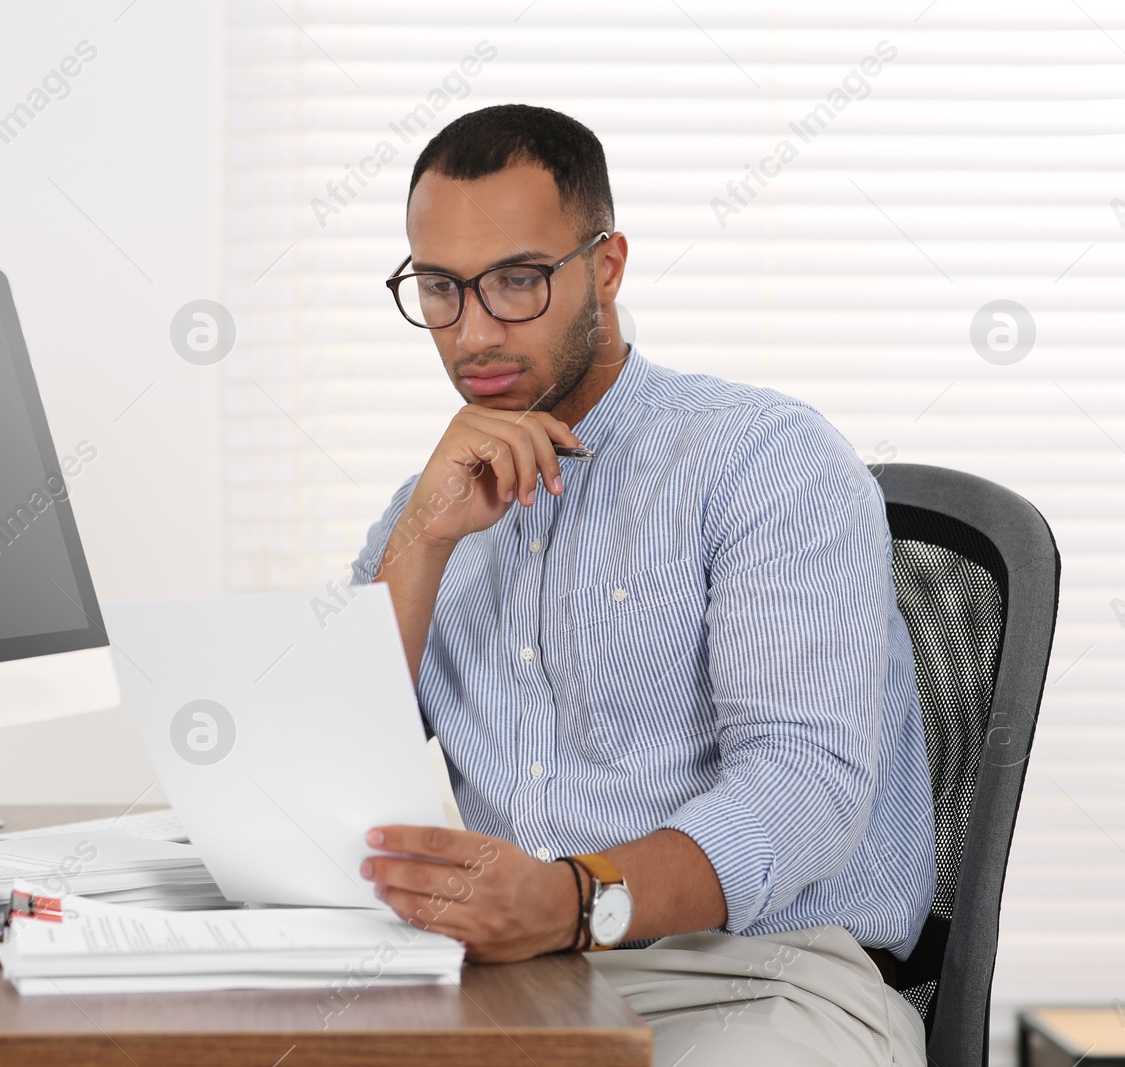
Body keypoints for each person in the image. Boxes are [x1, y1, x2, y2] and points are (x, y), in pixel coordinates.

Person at [350, 103, 936, 1066]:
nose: (473, 331)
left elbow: (805, 789)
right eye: (441, 288)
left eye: (517, 281)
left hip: (751, 982)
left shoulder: (763, 462)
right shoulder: (432, 509)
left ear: (607, 267)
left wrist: (575, 899)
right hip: (502, 985)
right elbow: (324, 767)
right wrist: (419, 543)